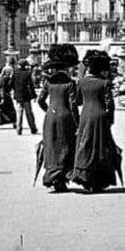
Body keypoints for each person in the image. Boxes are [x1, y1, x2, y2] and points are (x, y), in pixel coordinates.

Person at [71, 50, 122, 193]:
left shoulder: (81, 82)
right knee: (101, 145)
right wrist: (110, 120)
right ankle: (100, 179)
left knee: (85, 144)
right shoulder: (104, 83)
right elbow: (109, 104)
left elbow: (76, 101)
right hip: (100, 116)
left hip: (85, 115)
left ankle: (85, 177)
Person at [36, 44, 81, 193]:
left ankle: (52, 175)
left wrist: (48, 110)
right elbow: (73, 105)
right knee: (65, 146)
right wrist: (78, 122)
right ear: (67, 68)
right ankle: (62, 177)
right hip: (66, 117)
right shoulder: (70, 83)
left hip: (50, 117)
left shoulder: (48, 82)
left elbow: (40, 100)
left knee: (51, 146)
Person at [12, 59, 38, 135]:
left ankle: (19, 129)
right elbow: (31, 86)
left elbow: (11, 83)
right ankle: (33, 129)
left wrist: (15, 90)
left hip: (18, 96)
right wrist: (34, 95)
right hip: (26, 96)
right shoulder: (27, 73)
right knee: (29, 113)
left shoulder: (15, 73)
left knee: (19, 113)